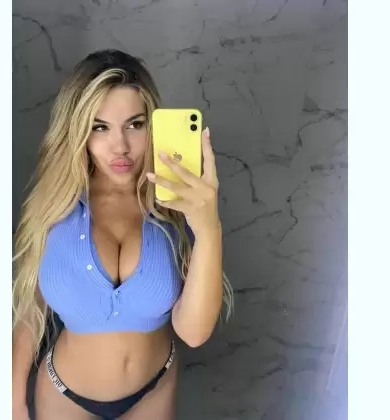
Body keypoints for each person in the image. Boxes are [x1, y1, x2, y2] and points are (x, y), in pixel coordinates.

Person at [12, 49, 233, 420]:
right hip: (65, 396)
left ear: (153, 125)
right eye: (100, 127)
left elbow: (193, 332)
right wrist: (13, 396)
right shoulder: (54, 204)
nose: (121, 147)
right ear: (78, 130)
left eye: (135, 124)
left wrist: (209, 229)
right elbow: (31, 307)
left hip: (153, 392)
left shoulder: (176, 205)